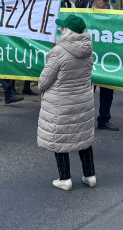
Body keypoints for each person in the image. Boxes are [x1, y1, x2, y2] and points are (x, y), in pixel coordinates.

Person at [37, 14, 96, 191]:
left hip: (61, 102)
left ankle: (65, 179)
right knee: (83, 138)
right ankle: (90, 176)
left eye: (62, 27)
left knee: (60, 138)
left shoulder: (58, 51)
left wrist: (39, 88)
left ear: (66, 30)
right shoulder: (88, 50)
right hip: (83, 100)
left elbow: (45, 80)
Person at [89, 0, 119, 131]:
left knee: (107, 92)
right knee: (87, 93)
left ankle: (104, 119)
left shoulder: (110, 18)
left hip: (107, 61)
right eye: (104, 1)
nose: (107, 3)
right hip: (91, 61)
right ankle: (85, 120)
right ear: (96, 2)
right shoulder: (86, 17)